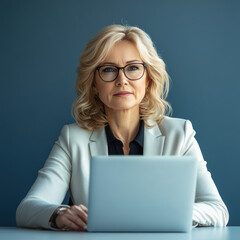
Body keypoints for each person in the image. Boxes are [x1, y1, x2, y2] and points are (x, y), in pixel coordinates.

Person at [16, 24, 229, 231]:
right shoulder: (73, 138)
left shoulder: (180, 134)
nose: (122, 80)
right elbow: (27, 208)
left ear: (148, 79)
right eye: (108, 70)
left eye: (133, 68)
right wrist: (60, 215)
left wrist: (174, 213)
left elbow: (218, 210)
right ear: (94, 84)